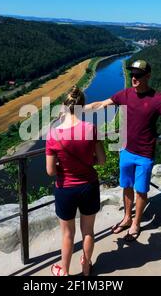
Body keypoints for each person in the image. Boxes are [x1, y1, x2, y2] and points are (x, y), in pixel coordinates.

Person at [84, 59, 161, 242]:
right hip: (126, 150)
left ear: (148, 76)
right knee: (126, 187)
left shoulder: (158, 99)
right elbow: (101, 104)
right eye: (132, 75)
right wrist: (76, 110)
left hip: (144, 154)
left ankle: (136, 223)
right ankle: (127, 218)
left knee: (141, 191)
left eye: (138, 75)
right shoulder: (125, 94)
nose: (134, 78)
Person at [46, 86, 106, 276]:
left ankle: (64, 271)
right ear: (82, 106)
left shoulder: (53, 134)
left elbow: (50, 171)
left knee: (67, 235)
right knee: (88, 231)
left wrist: (62, 165)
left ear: (64, 106)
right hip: (89, 186)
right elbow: (102, 161)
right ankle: (86, 267)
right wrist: (90, 160)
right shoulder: (91, 129)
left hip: (66, 189)